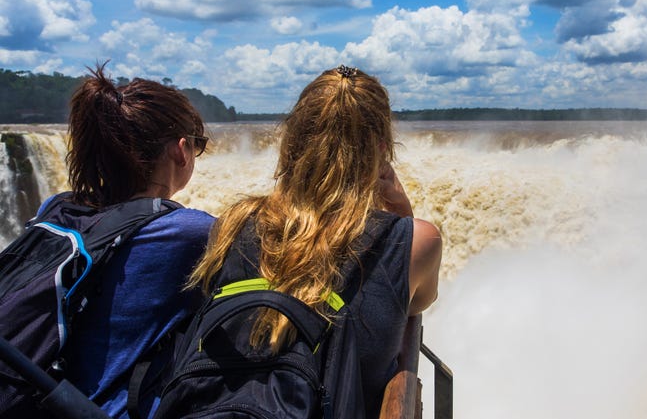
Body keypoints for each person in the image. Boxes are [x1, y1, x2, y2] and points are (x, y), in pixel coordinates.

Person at [187, 65, 442, 418]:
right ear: (382, 150)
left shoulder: (232, 224)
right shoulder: (416, 240)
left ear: (291, 142)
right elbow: (417, 302)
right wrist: (401, 208)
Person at [49, 62, 214, 418]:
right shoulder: (191, 233)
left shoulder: (58, 208)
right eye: (197, 146)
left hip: (41, 397)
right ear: (181, 150)